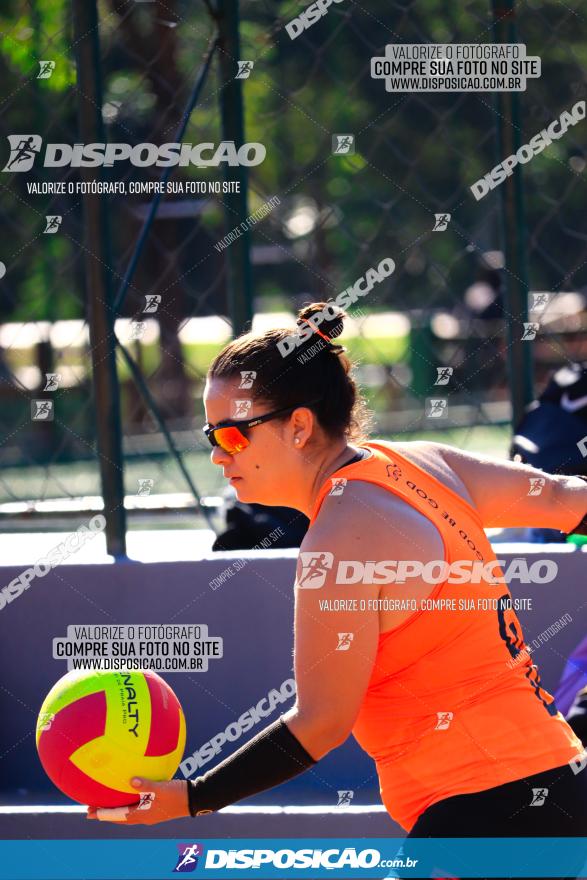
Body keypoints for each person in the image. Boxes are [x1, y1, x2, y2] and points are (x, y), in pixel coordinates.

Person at [88, 303, 587, 847]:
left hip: (483, 813)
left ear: (299, 425)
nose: (217, 454)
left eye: (232, 436)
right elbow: (568, 500)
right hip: (558, 782)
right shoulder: (427, 463)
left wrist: (192, 797)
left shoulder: (336, 543)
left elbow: (321, 724)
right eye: (211, 436)